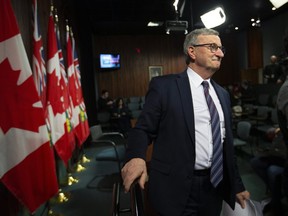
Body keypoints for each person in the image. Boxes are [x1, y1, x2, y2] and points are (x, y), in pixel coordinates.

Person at [121, 28, 250, 216]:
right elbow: (143, 129)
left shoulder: (222, 94)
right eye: (213, 47)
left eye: (221, 48)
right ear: (192, 51)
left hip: (214, 187)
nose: (220, 53)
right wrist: (136, 157)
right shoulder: (164, 87)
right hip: (174, 188)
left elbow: (226, 145)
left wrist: (237, 185)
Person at [250, 128, 286, 215]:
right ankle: (276, 193)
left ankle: (276, 203)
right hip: (279, 155)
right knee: (255, 162)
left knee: (272, 171)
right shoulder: (283, 119)